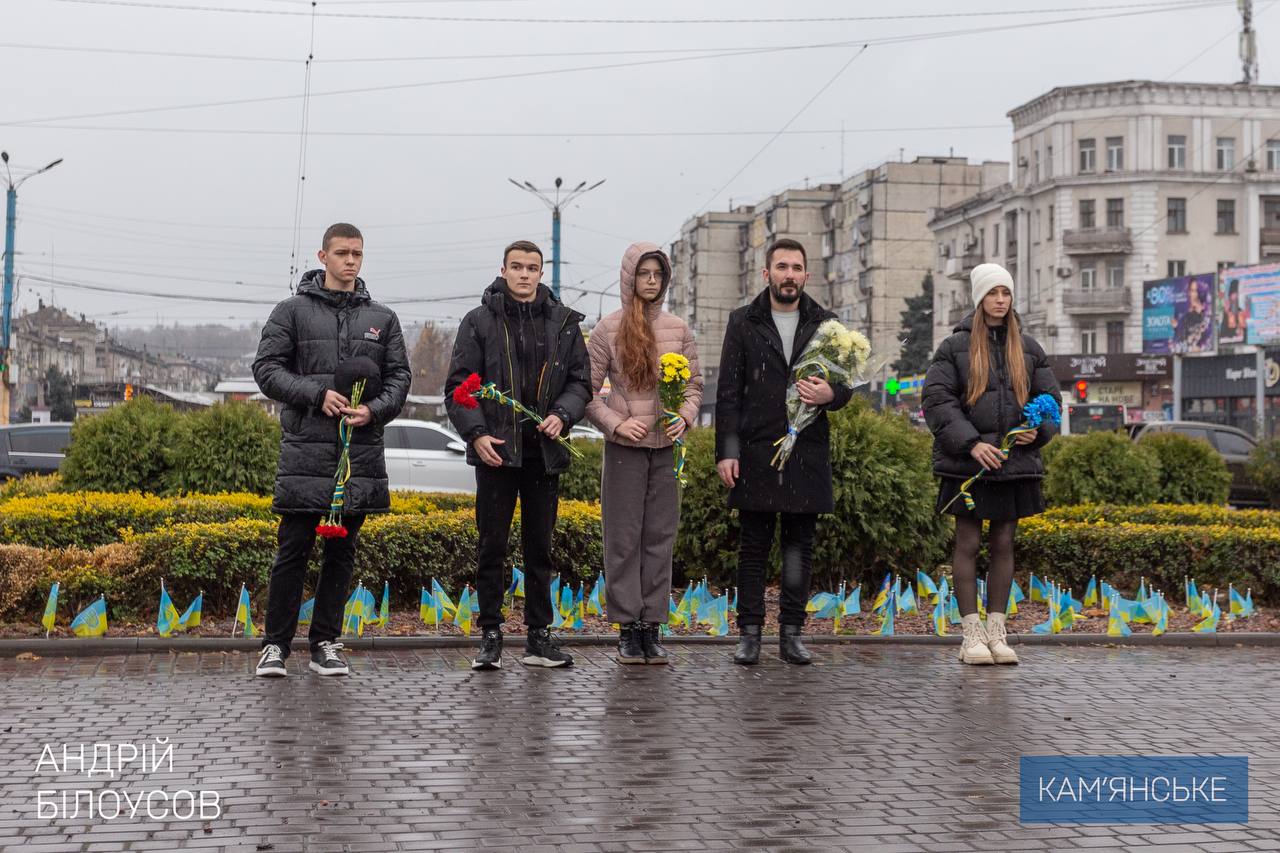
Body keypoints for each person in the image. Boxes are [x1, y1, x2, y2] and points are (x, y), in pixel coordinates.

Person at [252, 223, 411, 677]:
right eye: (342, 252)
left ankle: (326, 642)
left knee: (342, 553)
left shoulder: (383, 318)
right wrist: (315, 395)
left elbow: (400, 378)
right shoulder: (291, 311)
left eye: (357, 253)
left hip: (357, 456)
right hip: (305, 452)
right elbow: (265, 369)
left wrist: (374, 410)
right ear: (322, 256)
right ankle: (275, 646)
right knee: (293, 550)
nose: (351, 261)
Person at [445, 240, 591, 671]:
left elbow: (581, 381)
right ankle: (490, 635)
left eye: (532, 267)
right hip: (496, 454)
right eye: (517, 267)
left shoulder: (564, 323)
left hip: (543, 454)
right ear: (503, 270)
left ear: (541, 273)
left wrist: (562, 415)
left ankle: (538, 638)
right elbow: (459, 388)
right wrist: (477, 435)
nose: (525, 274)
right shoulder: (479, 322)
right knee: (492, 547)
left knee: (539, 549)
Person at [715, 238, 853, 666]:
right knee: (753, 547)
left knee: (799, 549)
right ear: (766, 273)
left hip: (806, 449)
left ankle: (792, 634)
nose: (789, 275)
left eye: (796, 267)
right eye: (781, 267)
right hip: (757, 450)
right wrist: (727, 451)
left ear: (806, 275)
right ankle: (750, 634)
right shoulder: (743, 321)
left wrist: (832, 393)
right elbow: (728, 394)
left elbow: (846, 384)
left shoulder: (826, 324)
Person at [922, 263, 1059, 666]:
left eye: (1006, 293)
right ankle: (971, 637)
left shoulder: (1030, 348)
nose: (1001, 301)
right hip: (970, 467)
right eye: (993, 293)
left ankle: (997, 634)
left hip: (1014, 464)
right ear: (979, 298)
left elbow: (1050, 401)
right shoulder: (953, 347)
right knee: (967, 543)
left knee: (1003, 545)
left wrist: (1039, 430)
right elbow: (937, 401)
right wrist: (971, 445)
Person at [585, 242, 703, 664]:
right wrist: (617, 423)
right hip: (624, 451)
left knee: (659, 539)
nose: (651, 282)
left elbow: (694, 385)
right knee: (623, 541)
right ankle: (627, 630)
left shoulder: (678, 328)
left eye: (658, 275)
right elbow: (586, 392)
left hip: (666, 449)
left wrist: (685, 417)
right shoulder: (608, 329)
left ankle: (652, 626)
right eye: (644, 274)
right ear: (629, 278)